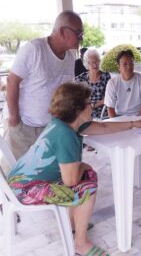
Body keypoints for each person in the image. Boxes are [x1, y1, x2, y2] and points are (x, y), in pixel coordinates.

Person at [7, 82, 141, 256]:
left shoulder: (67, 123)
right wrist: (84, 166)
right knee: (87, 184)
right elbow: (70, 180)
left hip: (18, 180)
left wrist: (133, 124)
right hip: (25, 189)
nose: (92, 106)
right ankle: (80, 243)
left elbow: (104, 128)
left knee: (85, 176)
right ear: (77, 109)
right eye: (88, 103)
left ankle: (73, 224)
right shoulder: (65, 135)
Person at [4, 10, 83, 160]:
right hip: (24, 127)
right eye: (78, 33)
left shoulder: (70, 58)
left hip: (50, 127)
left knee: (43, 172)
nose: (81, 38)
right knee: (20, 174)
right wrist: (14, 119)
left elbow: (65, 92)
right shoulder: (34, 49)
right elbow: (11, 81)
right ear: (62, 31)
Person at [104, 49, 141, 117]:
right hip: (119, 117)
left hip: (139, 117)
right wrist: (115, 123)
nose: (129, 66)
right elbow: (110, 108)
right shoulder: (112, 83)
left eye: (131, 63)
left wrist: (136, 122)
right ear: (119, 67)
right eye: (125, 64)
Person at [76, 48, 111, 119]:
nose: (95, 65)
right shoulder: (80, 79)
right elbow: (76, 98)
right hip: (85, 112)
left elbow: (109, 97)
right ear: (87, 64)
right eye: (92, 62)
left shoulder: (106, 76)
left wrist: (93, 105)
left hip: (102, 112)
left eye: (97, 61)